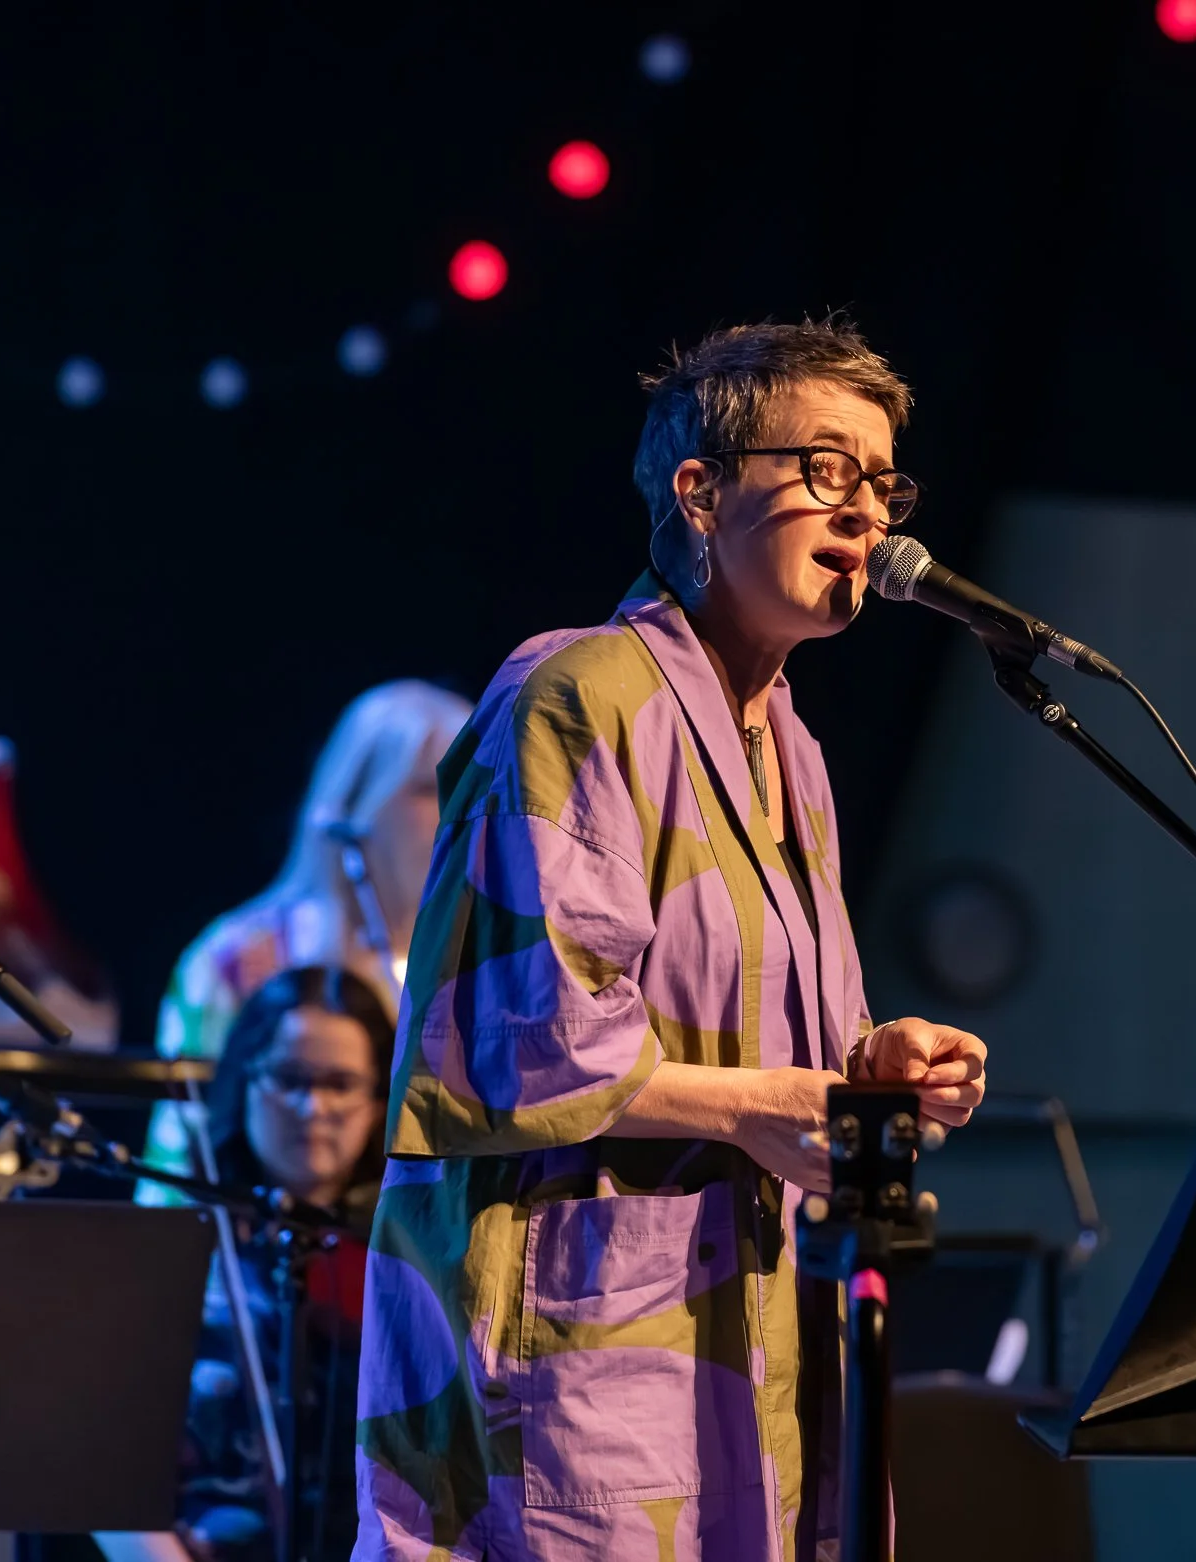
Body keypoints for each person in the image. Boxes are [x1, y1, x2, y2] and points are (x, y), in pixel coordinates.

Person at [353, 318, 989, 1561]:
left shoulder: (790, 748)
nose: (865, 511)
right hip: (585, 1341)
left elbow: (745, 1028)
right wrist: (765, 1102)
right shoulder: (580, 693)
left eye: (883, 480)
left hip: (752, 1331)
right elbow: (521, 1040)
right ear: (700, 491)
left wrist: (871, 1059)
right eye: (825, 468)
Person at [141, 680, 470, 1200]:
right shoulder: (236, 961)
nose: (459, 809)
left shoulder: (484, 958)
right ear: (357, 803)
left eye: (472, 784)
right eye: (430, 789)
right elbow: (180, 1161)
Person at [175, 965, 394, 1562]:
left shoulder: (403, 1261)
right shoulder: (180, 1258)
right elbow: (100, 1466)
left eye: (341, 1083)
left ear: (379, 1102)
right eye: (289, 1077)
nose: (312, 1106)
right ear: (246, 1081)